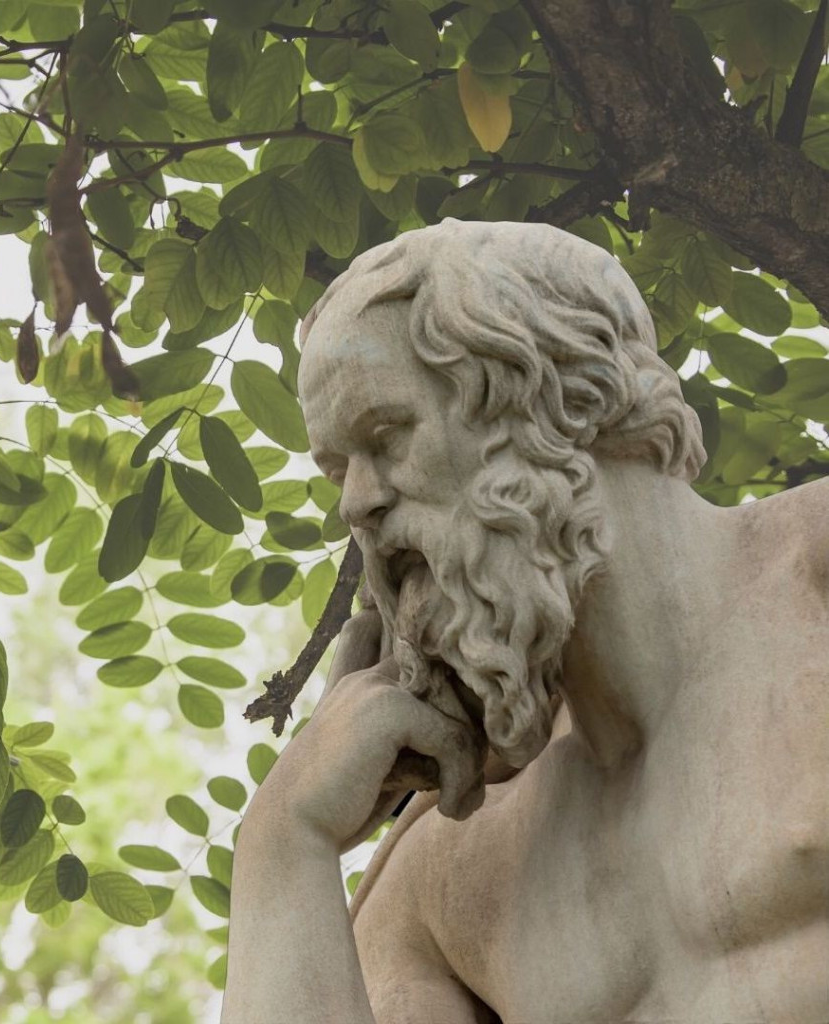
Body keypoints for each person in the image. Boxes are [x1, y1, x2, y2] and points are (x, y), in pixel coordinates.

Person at [223, 220, 829, 1022]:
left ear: (552, 398)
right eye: (339, 471)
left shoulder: (814, 582)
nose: (355, 504)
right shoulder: (452, 867)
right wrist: (282, 840)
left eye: (385, 436)